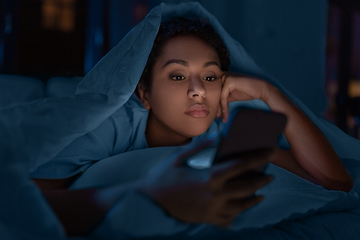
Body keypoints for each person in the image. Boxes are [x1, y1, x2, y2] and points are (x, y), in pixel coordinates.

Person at [31, 17, 353, 237]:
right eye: (177, 75)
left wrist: (271, 93)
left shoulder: (218, 129)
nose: (198, 89)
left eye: (210, 77)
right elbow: (29, 208)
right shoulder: (107, 127)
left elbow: (334, 183)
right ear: (145, 93)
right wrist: (145, 196)